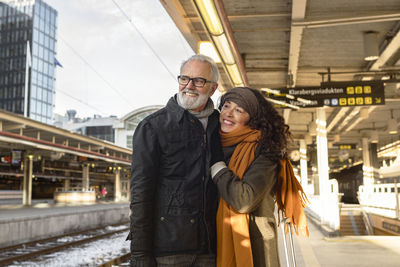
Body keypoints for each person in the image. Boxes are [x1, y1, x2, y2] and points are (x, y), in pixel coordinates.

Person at [129, 54, 224, 267]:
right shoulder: (153, 127)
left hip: (212, 247)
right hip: (169, 251)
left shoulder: (221, 126)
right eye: (184, 78)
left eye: (199, 81)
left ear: (213, 88)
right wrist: (139, 255)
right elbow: (140, 194)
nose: (189, 86)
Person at [210, 87, 306, 267]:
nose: (228, 114)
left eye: (239, 110)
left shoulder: (266, 151)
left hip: (255, 247)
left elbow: (244, 199)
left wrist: (218, 168)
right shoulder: (211, 144)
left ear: (252, 119)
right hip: (213, 242)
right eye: (226, 107)